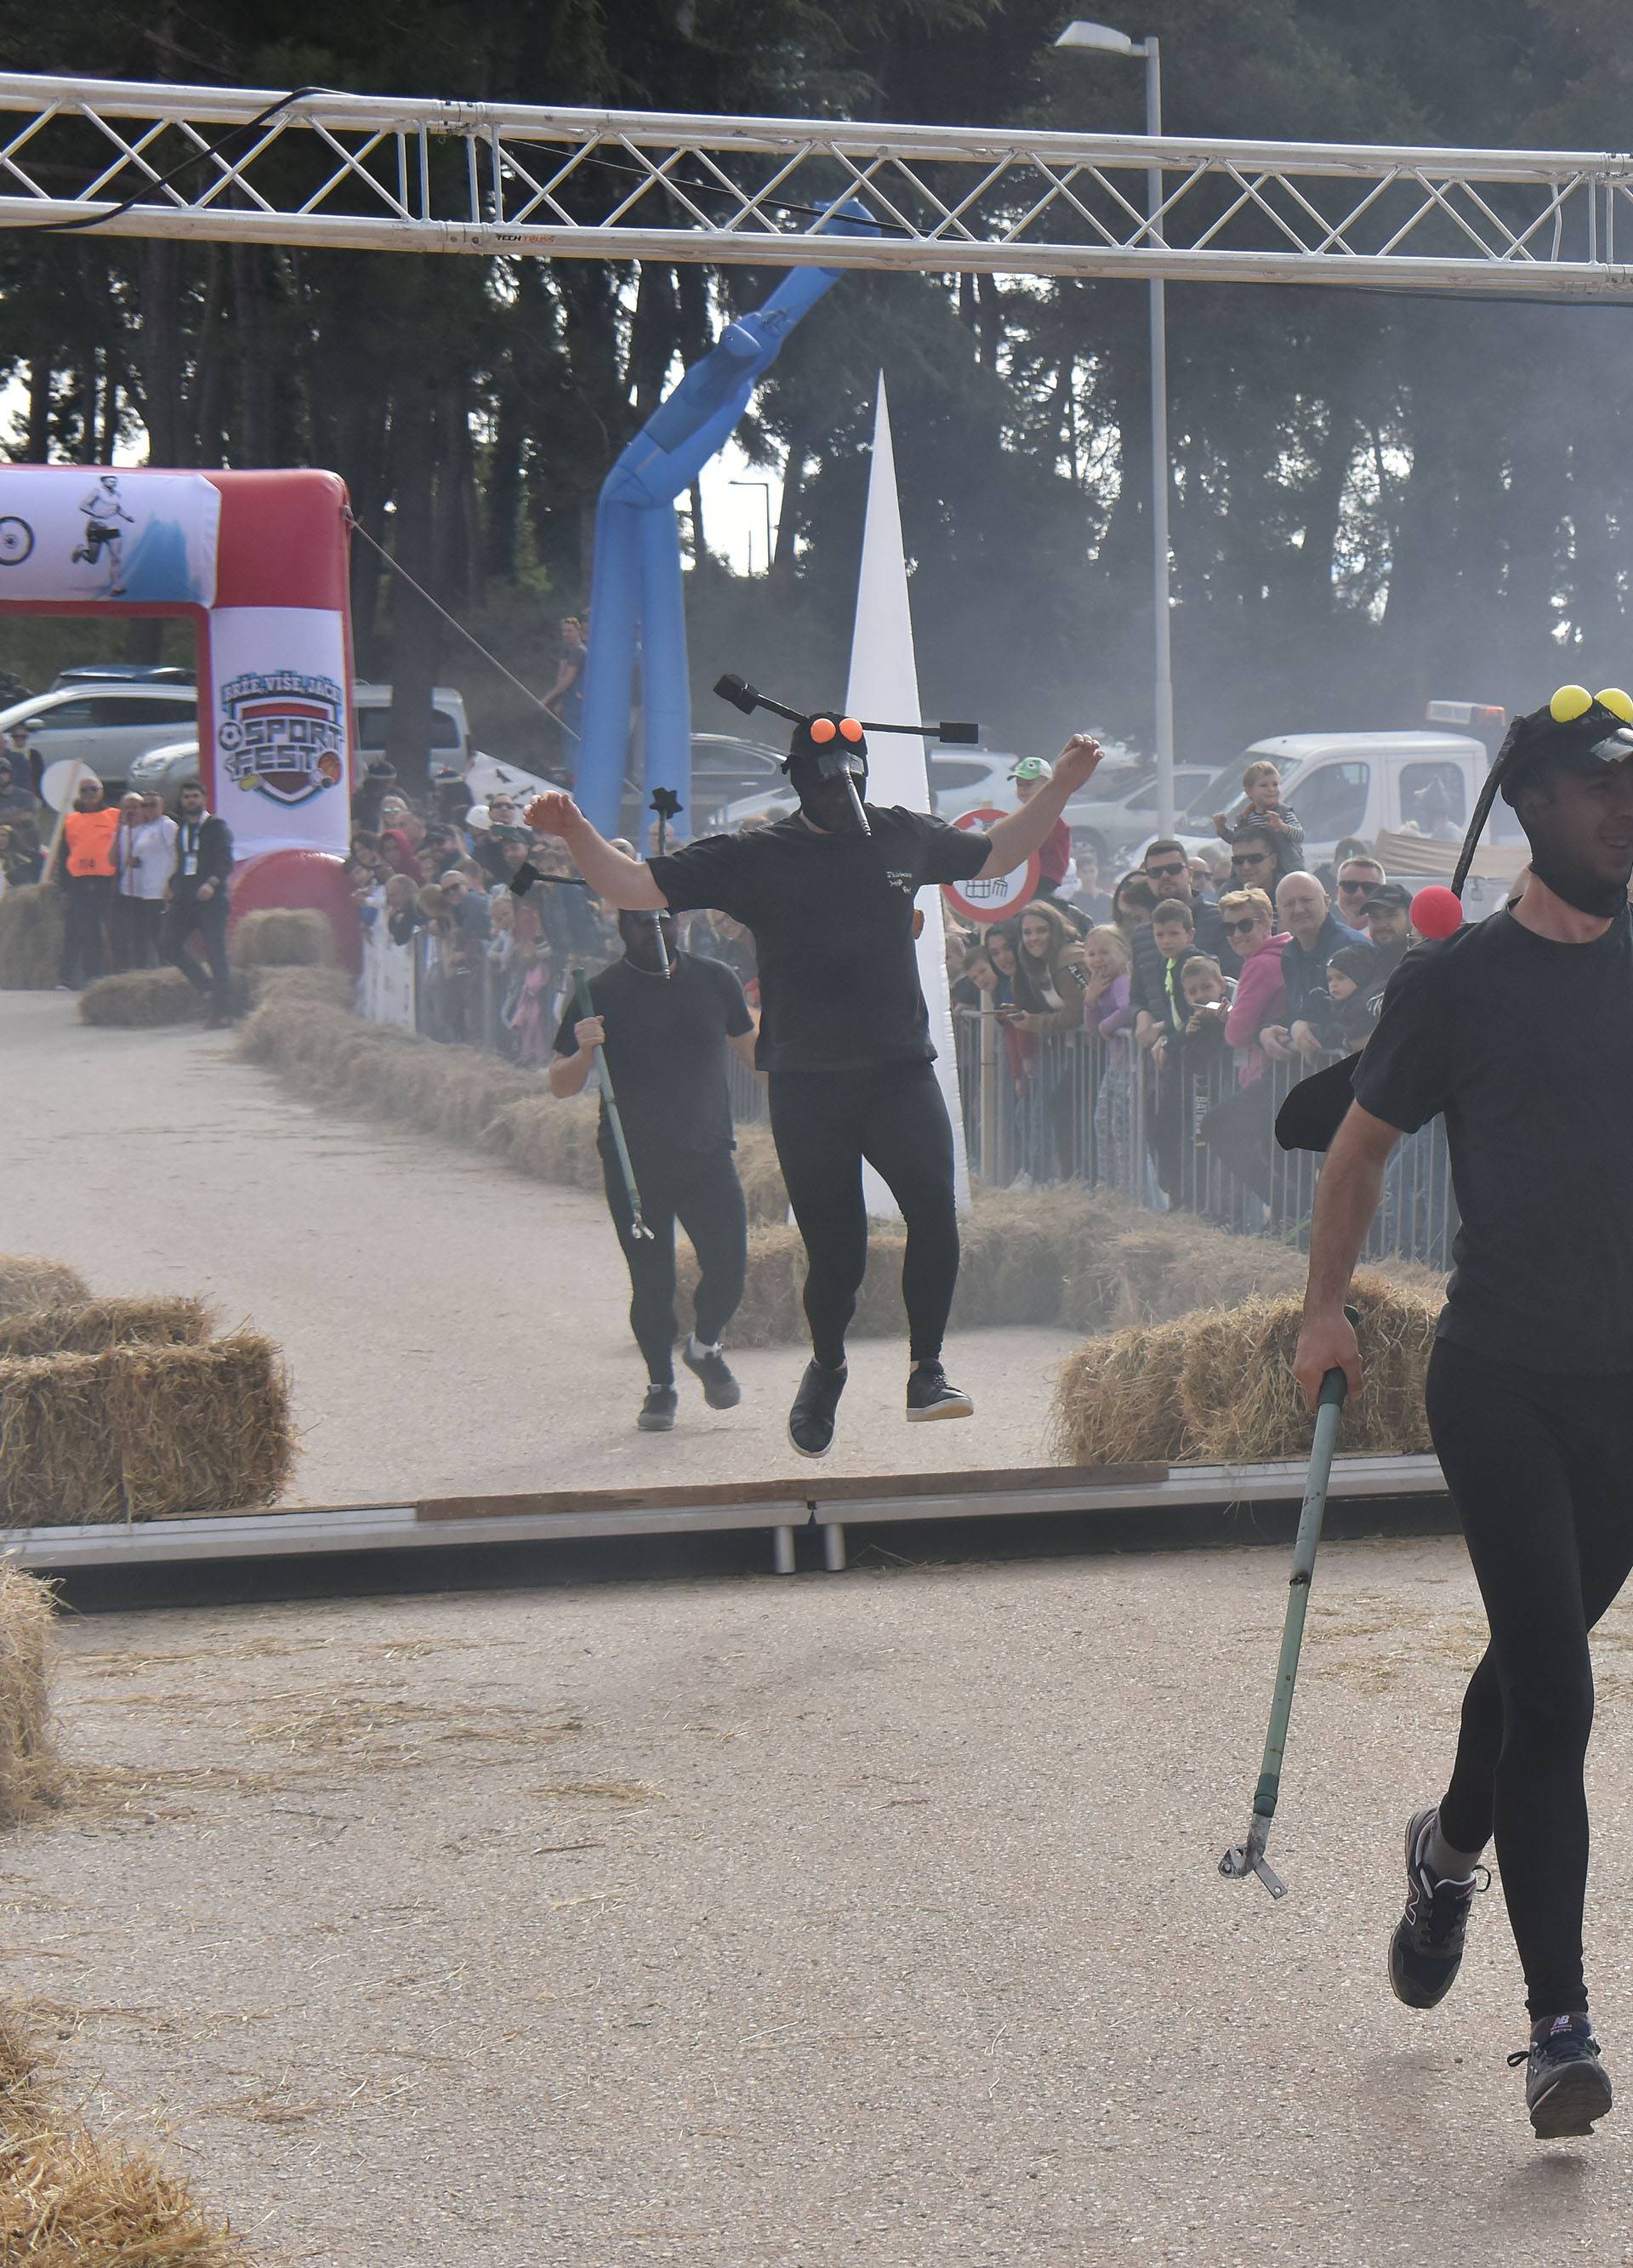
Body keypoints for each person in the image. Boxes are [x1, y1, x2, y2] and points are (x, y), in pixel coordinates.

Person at [1291, 684, 1633, 2142]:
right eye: (1602, 789)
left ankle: (1445, 1847)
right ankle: (1560, 2026)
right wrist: (1325, 1309)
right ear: (1536, 808)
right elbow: (1358, 1155)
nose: (1628, 812)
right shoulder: (1459, 983)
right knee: (1560, 1692)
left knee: (1530, 1665)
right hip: (1498, 1378)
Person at [526, 709, 1104, 1455]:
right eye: (827, 780)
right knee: (839, 1254)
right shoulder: (756, 854)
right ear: (801, 780)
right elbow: (636, 887)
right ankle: (826, 1367)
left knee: (936, 1212)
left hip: (899, 1069)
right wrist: (574, 830)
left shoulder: (904, 835)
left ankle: (926, 1370)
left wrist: (1060, 786)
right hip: (807, 1082)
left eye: (852, 777)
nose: (843, 791)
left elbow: (996, 856)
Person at [549, 910, 758, 1431]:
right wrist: (585, 1050)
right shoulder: (597, 993)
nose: (657, 931)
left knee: (731, 1267)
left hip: (709, 1153)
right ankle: (660, 1385)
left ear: (681, 922)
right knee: (652, 1281)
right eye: (644, 923)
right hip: (633, 1161)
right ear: (624, 929)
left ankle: (704, 1347)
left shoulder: (716, 979)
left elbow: (755, 1052)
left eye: (665, 920)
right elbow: (560, 1083)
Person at [1259, 871, 1364, 1066]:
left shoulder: (1351, 948)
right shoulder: (1290, 953)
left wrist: (1303, 1028)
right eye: (1289, 904)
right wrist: (1267, 1032)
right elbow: (1298, 1010)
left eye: (1306, 900)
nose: (1298, 909)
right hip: (1303, 1072)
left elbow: (1359, 1021)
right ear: (1278, 912)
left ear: (1326, 902)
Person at [162, 781, 235, 1028]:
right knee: (168, 945)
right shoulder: (181, 827)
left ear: (203, 799)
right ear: (181, 801)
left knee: (215, 952)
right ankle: (206, 987)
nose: (191, 801)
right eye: (186, 797)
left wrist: (212, 884)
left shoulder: (216, 827)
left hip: (210, 900)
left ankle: (224, 1012)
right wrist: (172, 884)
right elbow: (182, 863)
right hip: (184, 898)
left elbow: (225, 862)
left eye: (195, 796)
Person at [52, 773, 118, 990]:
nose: (89, 794)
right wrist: (63, 888)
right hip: (78, 881)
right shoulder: (71, 820)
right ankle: (66, 977)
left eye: (93, 789)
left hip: (105, 880)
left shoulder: (114, 816)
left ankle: (95, 974)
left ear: (102, 792)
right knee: (74, 928)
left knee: (95, 929)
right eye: (84, 791)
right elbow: (64, 854)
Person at [1212, 757, 1306, 867]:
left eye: (1275, 784)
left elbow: (1300, 835)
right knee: (1231, 884)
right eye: (1264, 785)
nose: (1271, 789)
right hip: (1256, 869)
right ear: (1249, 791)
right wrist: (1222, 829)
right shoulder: (1247, 818)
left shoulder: (1284, 813)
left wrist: (1281, 826)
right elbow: (1238, 842)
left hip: (1284, 868)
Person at [1010, 758, 1074, 906]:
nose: (1023, 789)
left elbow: (1034, 846)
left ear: (1046, 786)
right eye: (1020, 785)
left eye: (1029, 784)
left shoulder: (1050, 816)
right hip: (1024, 876)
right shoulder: (1022, 815)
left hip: (1045, 877)